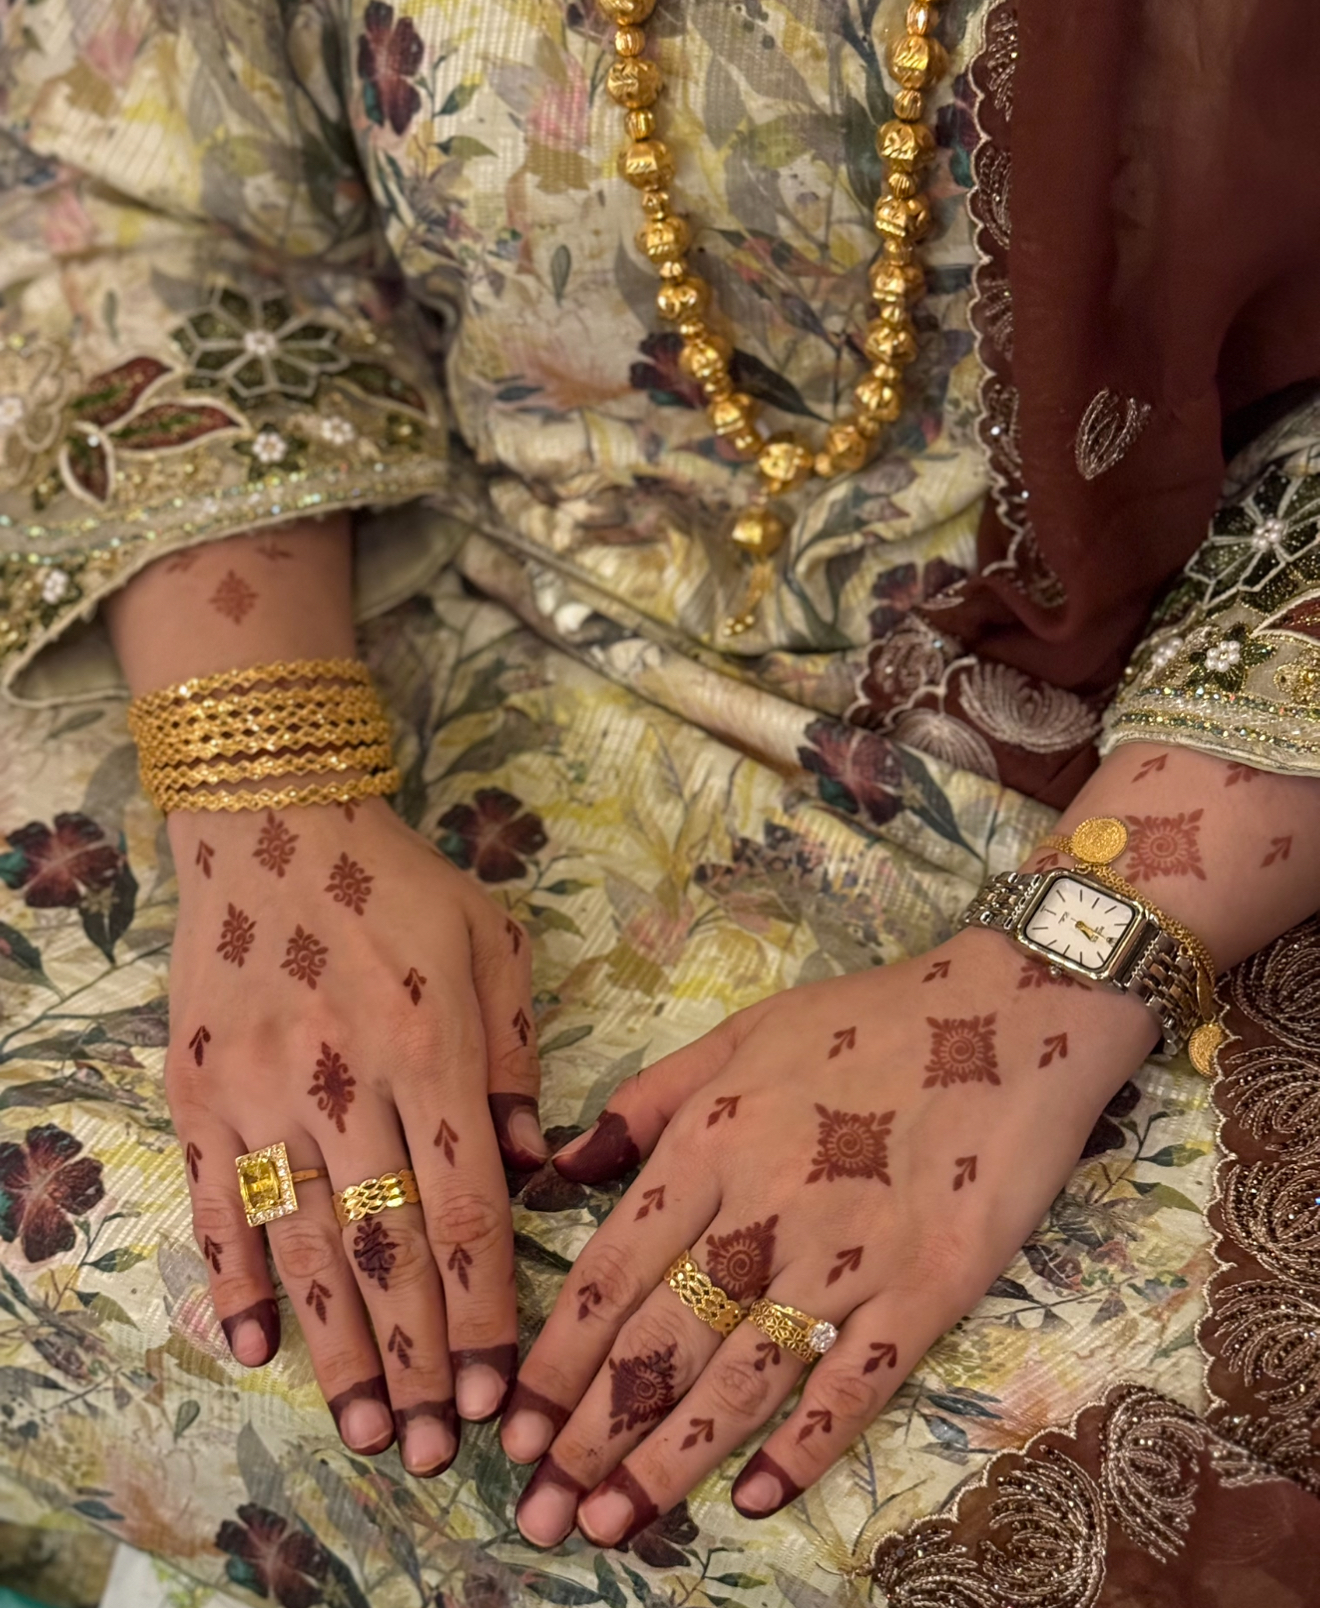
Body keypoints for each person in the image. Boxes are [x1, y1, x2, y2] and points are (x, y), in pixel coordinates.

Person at [1, 0, 1318, 1602]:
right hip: (372, 603)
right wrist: (265, 793)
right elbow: (145, 196)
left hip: (1150, 771)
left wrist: (1052, 978)